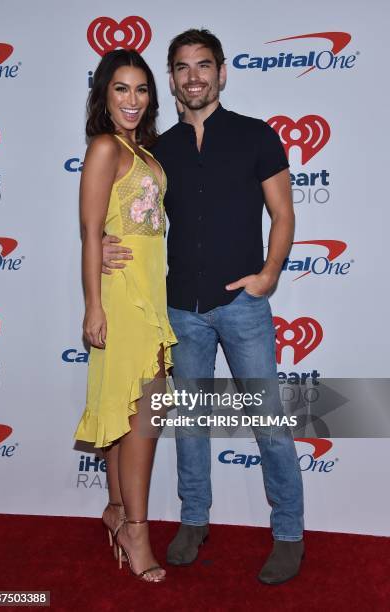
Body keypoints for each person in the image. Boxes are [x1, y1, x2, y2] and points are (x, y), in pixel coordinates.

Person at [102, 29, 304, 585]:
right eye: (183, 68)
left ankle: (288, 531)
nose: (194, 76)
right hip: (179, 311)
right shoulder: (157, 149)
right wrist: (97, 242)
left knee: (268, 421)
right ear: (172, 78)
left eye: (204, 66)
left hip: (241, 305)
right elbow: (126, 212)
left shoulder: (255, 136)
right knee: (190, 424)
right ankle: (193, 521)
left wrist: (267, 276)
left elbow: (283, 214)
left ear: (221, 72)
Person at [74, 49, 177, 583]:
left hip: (150, 294)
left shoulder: (145, 151)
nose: (132, 100)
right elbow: (92, 231)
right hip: (122, 299)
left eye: (141, 90)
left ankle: (116, 511)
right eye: (121, 89)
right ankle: (136, 527)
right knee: (144, 417)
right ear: (103, 95)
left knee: (127, 410)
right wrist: (93, 303)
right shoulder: (104, 147)